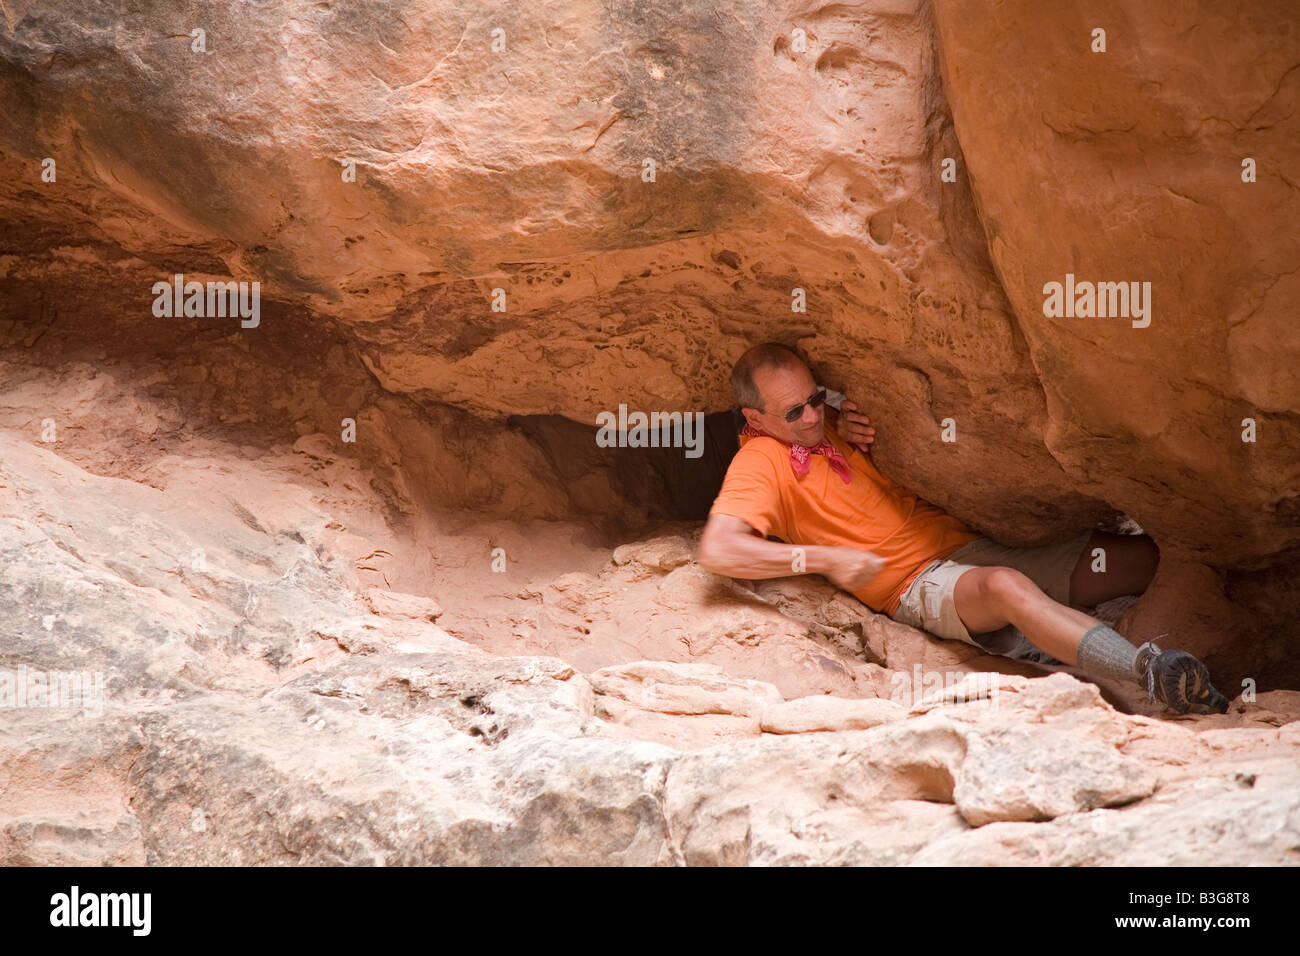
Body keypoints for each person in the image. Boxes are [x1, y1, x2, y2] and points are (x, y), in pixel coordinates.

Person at [696, 342, 1229, 715]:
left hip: (972, 543)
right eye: (794, 412)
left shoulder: (824, 424)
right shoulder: (761, 460)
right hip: (916, 582)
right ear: (755, 417)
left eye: (816, 398)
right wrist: (823, 559)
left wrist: (850, 423)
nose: (812, 417)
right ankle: (1153, 673)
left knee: (1146, 560)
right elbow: (719, 550)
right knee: (1005, 587)